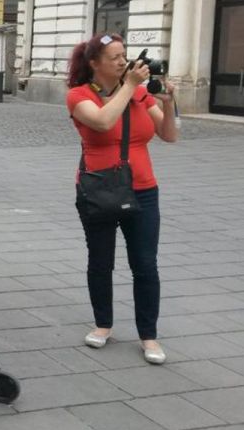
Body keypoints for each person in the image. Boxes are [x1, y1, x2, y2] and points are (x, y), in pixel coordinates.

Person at [66, 33, 177, 365]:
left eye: (124, 55)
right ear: (94, 64)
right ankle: (103, 325)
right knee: (100, 261)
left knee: (145, 264)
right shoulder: (78, 95)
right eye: (114, 57)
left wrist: (168, 103)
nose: (122, 61)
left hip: (143, 188)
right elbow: (102, 121)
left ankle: (149, 336)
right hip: (98, 189)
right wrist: (129, 86)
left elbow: (169, 135)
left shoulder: (141, 94)